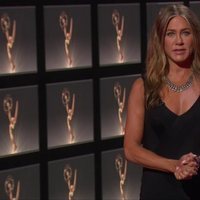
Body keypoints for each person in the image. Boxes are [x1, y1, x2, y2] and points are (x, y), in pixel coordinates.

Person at [124, 4, 200, 200]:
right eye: (170, 34)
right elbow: (131, 149)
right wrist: (174, 165)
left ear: (195, 38)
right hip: (157, 192)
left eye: (185, 33)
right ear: (160, 40)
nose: (179, 42)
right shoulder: (143, 88)